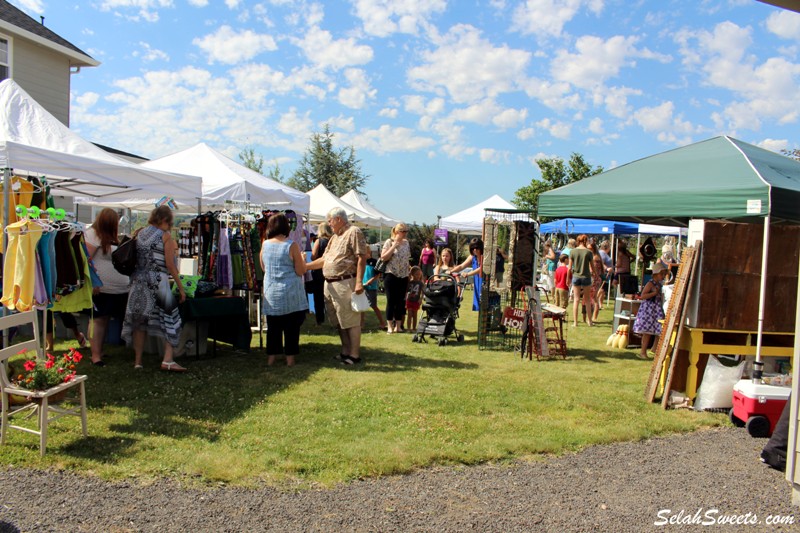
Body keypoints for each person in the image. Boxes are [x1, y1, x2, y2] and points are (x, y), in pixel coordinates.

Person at [121, 205, 187, 372]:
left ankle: (138, 361)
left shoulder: (139, 233)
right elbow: (171, 266)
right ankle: (168, 359)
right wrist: (181, 288)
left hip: (138, 282)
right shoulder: (165, 237)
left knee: (139, 322)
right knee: (170, 319)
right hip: (158, 282)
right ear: (165, 220)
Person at [306, 207, 369, 365]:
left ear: (339, 219)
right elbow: (324, 260)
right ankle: (345, 351)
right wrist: (305, 267)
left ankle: (354, 355)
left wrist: (359, 282)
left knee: (350, 320)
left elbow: (362, 258)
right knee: (339, 321)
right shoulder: (334, 237)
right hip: (330, 284)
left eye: (330, 220)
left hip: (345, 282)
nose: (329, 224)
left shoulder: (353, 232)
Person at [260, 213, 308, 366]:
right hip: (290, 293)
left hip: (272, 292)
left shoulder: (265, 244)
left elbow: (263, 267)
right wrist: (303, 260)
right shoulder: (291, 245)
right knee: (291, 328)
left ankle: (271, 358)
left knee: (273, 327)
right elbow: (300, 271)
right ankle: (290, 359)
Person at [84, 207, 130, 366]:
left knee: (106, 320)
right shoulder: (92, 235)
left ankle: (100, 351)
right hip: (102, 288)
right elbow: (86, 260)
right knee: (98, 320)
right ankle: (96, 355)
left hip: (119, 289)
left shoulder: (112, 237)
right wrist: (93, 282)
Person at [381, 223, 411, 334]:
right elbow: (383, 257)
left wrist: (409, 273)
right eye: (403, 231)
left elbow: (407, 259)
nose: (405, 233)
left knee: (400, 301)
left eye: (406, 231)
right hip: (391, 274)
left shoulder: (407, 243)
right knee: (390, 300)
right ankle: (389, 325)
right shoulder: (389, 242)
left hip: (403, 275)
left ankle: (398, 326)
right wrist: (394, 246)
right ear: (396, 232)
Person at [633, 262, 668, 360]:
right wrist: (653, 293)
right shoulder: (650, 283)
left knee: (659, 329)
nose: (663, 276)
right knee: (647, 332)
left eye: (664, 274)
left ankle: (654, 348)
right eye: (662, 274)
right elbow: (642, 296)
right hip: (648, 309)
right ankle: (643, 352)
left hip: (656, 309)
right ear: (656, 274)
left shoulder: (659, 284)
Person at [451, 238, 484, 311]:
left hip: (484, 282)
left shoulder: (484, 257)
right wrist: (451, 272)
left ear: (481, 247)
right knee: (478, 305)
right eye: (472, 248)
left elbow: (481, 269)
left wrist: (468, 274)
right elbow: (461, 266)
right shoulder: (472, 257)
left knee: (484, 304)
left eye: (477, 248)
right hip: (477, 283)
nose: (475, 250)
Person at [568, 234, 594, 327]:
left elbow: (569, 268)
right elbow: (592, 266)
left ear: (577, 241)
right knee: (587, 300)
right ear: (586, 241)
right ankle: (590, 321)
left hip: (576, 276)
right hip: (586, 276)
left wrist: (568, 278)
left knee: (576, 299)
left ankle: (575, 322)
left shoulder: (572, 251)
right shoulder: (588, 252)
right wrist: (595, 274)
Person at [309, 222, 332, 325]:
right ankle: (332, 318)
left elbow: (313, 256)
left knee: (318, 297)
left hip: (318, 272)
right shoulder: (332, 241)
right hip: (330, 271)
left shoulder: (319, 241)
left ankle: (320, 319)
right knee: (330, 296)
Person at [361, 256, 386, 330]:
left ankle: (382, 323)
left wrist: (369, 282)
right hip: (362, 286)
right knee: (362, 306)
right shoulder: (361, 261)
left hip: (371, 288)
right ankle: (361, 324)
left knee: (373, 305)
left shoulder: (374, 262)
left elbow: (378, 275)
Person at [405, 266, 424, 332]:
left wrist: (421, 299)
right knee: (409, 314)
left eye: (419, 274)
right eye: (416, 274)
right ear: (412, 274)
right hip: (409, 300)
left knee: (415, 315)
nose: (418, 276)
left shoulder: (421, 283)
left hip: (416, 301)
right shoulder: (409, 282)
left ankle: (414, 328)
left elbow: (423, 292)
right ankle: (408, 328)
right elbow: (406, 291)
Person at [589, 241, 605, 320]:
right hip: (596, 279)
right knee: (593, 298)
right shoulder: (598, 257)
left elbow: (592, 270)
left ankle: (594, 317)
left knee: (594, 298)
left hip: (594, 279)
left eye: (589, 248)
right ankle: (593, 316)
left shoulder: (595, 258)